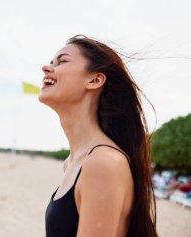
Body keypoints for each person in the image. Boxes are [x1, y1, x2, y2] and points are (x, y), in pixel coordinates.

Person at [39, 35, 158, 237]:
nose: (46, 68)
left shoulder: (102, 163)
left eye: (63, 61)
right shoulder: (72, 163)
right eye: (51, 62)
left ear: (94, 80)